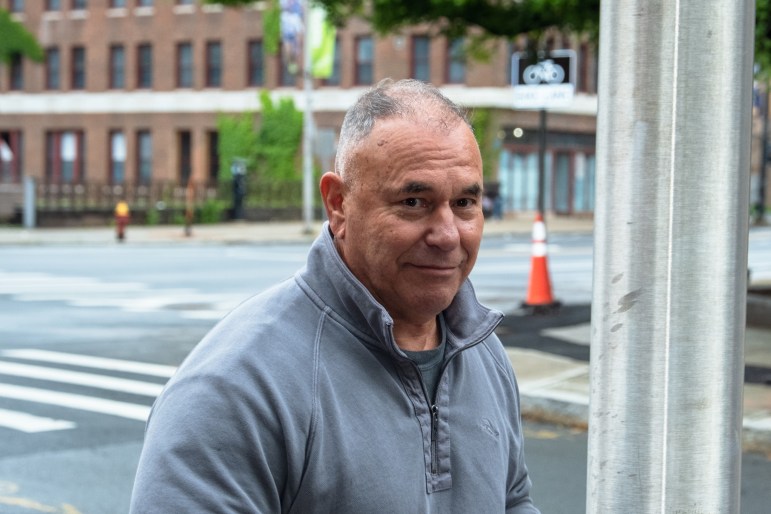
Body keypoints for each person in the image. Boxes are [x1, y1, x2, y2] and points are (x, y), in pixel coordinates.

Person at [129, 79, 539, 513]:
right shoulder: (234, 389)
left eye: (464, 203)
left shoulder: (484, 354)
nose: (447, 235)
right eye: (414, 202)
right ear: (338, 204)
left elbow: (513, 500)